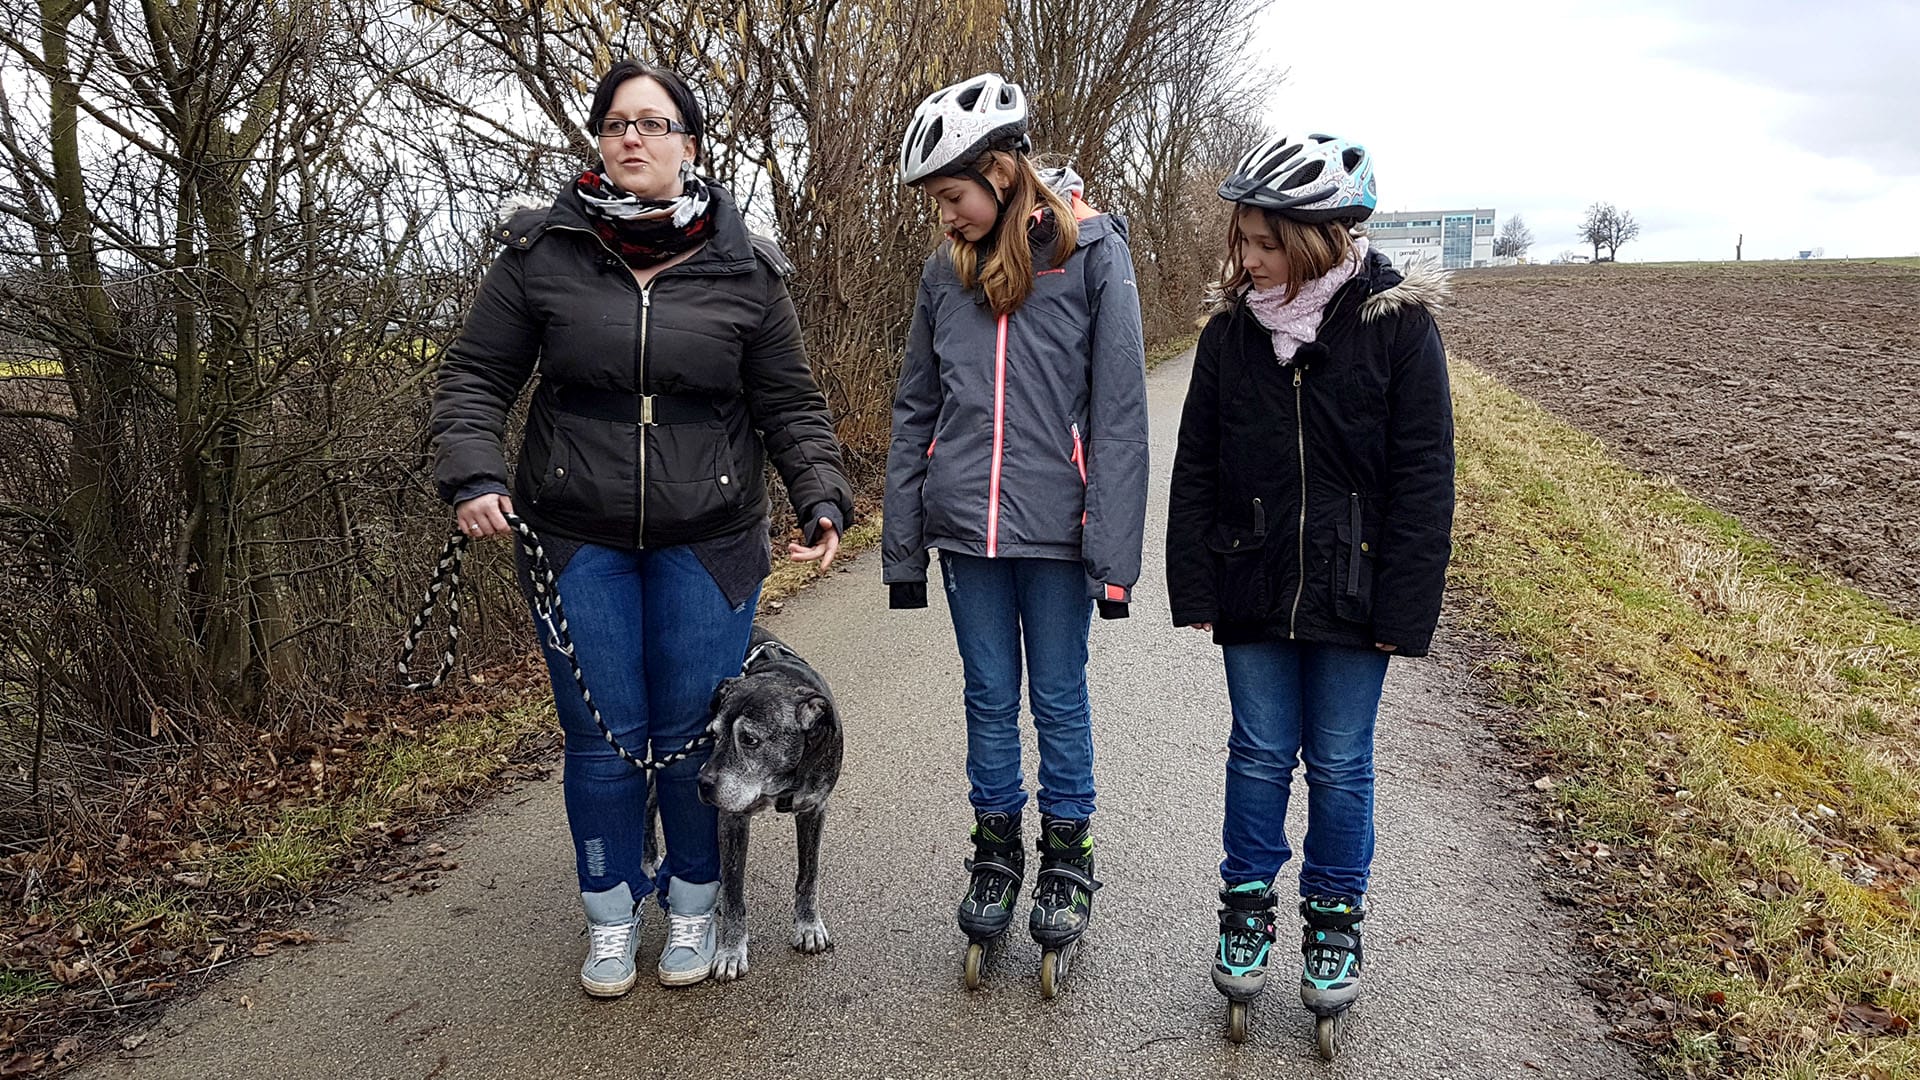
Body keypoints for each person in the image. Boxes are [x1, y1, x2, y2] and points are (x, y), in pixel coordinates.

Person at [429, 59, 853, 997]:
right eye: (616, 122)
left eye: (654, 124)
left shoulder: (746, 268)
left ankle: (695, 907)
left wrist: (819, 490)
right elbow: (472, 380)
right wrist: (472, 472)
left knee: (694, 734)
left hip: (710, 539)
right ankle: (611, 913)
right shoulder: (541, 253)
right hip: (574, 538)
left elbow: (788, 399)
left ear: (688, 145)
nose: (631, 137)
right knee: (599, 732)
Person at [1163, 132, 1454, 1051]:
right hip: (1253, 580)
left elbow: (1424, 476)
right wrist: (1196, 578)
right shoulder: (1228, 336)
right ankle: (1246, 910)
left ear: (1320, 238)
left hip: (1355, 591)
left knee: (1338, 762)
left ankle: (1334, 921)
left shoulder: (1397, 330)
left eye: (1264, 242)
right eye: (1241, 240)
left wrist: (1406, 611)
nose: (1246, 260)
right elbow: (1196, 467)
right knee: (1255, 753)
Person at [882, 73, 1149, 993]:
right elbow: (916, 408)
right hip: (967, 534)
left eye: (952, 198)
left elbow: (1118, 417)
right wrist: (903, 543)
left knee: (1059, 700)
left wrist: (1114, 557)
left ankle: (1067, 854)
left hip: (1058, 534)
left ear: (1001, 174)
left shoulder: (1095, 256)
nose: (945, 218)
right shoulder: (940, 276)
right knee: (988, 699)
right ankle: (995, 850)